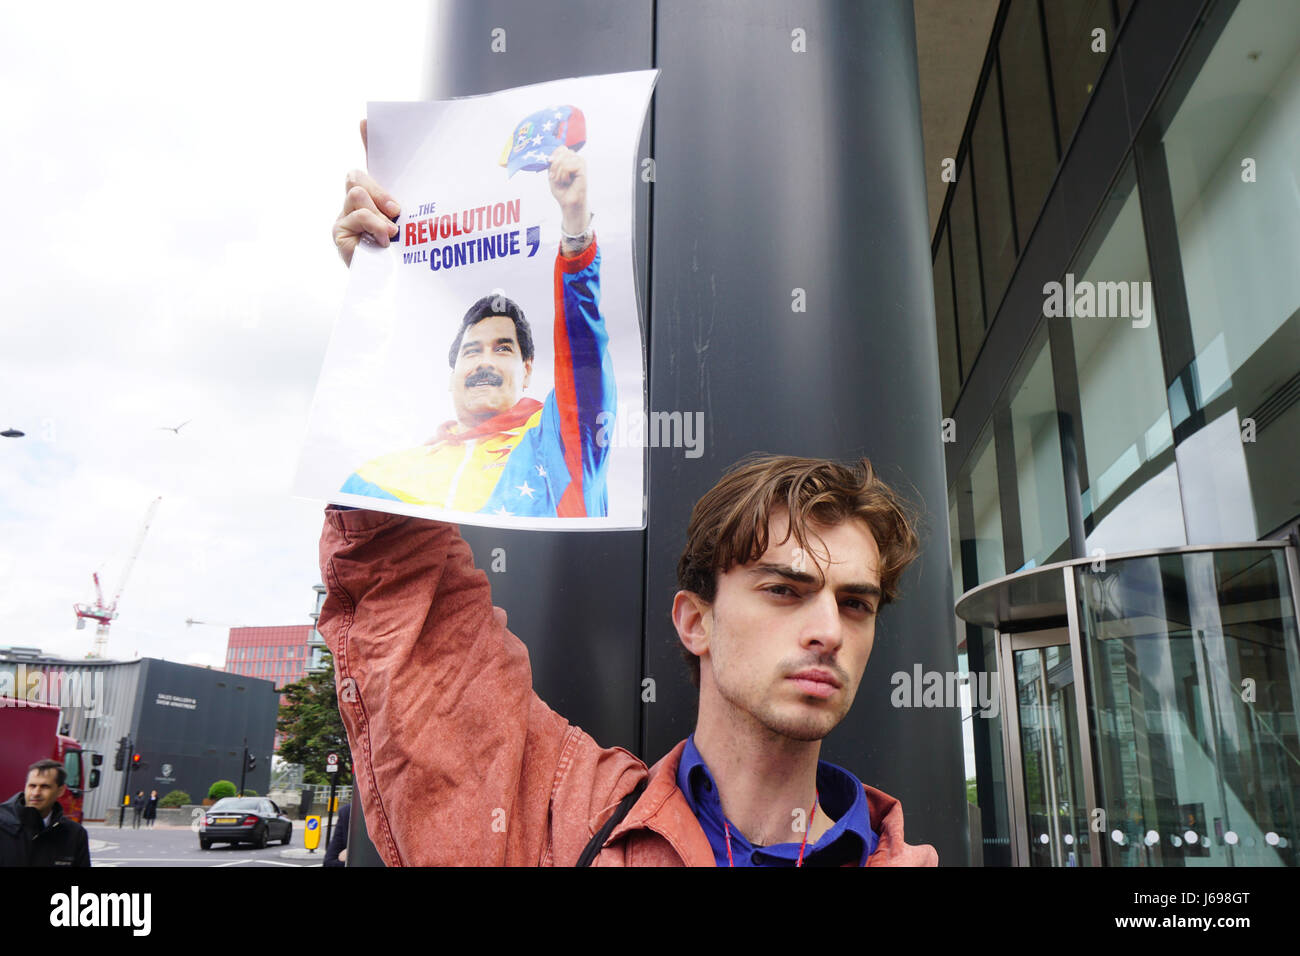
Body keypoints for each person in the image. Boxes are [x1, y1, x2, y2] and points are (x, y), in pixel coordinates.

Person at [316, 452, 938, 866]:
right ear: (697, 622)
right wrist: (401, 300)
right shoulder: (569, 818)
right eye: (784, 590)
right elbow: (416, 608)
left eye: (856, 604)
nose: (828, 630)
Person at [336, 130, 615, 519]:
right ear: (452, 374)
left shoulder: (562, 440)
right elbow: (348, 567)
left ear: (528, 370)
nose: (485, 361)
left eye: (503, 348)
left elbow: (582, 349)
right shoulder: (381, 475)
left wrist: (574, 226)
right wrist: (372, 268)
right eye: (472, 350)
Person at [0, 760, 91, 866]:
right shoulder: (3, 825)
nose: (36, 793)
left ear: (60, 790)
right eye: (32, 786)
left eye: (44, 787)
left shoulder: (75, 834)